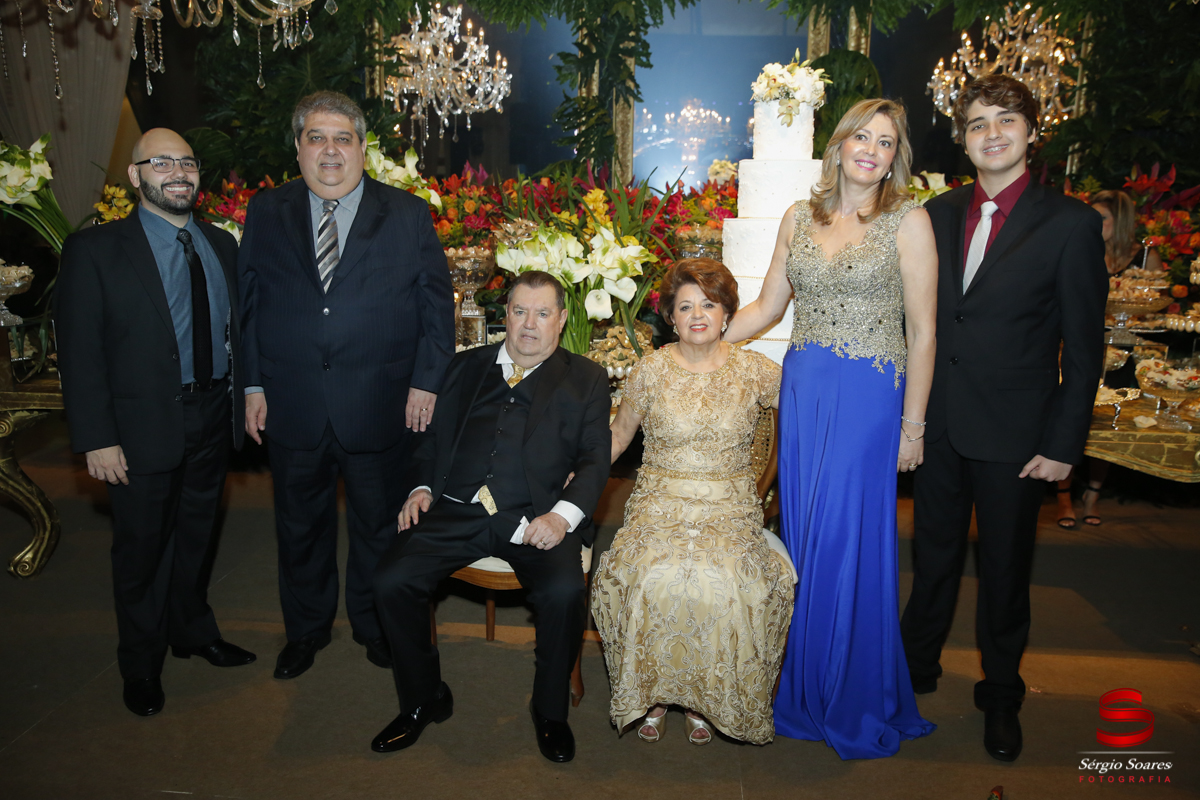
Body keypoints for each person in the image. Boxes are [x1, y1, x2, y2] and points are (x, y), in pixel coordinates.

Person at [898, 74, 1107, 762]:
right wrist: (910, 418)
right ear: (963, 137)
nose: (992, 133)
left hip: (1019, 437)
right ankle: (914, 671)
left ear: (1030, 132)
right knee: (930, 561)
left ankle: (1001, 694)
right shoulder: (933, 214)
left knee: (1006, 573)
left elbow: (1084, 348)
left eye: (1006, 121)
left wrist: (1063, 444)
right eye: (978, 122)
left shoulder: (1071, 224)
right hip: (939, 426)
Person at [724, 98, 938, 759]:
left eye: (885, 141)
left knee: (846, 541)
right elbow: (765, 305)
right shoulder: (798, 216)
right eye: (861, 137)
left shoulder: (909, 221)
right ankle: (806, 684)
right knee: (806, 536)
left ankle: (850, 693)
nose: (871, 148)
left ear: (894, 156)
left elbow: (924, 331)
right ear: (840, 145)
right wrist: (699, 340)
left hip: (871, 398)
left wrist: (914, 426)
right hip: (806, 392)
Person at [238, 91, 455, 679]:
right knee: (298, 528)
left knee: (379, 529)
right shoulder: (266, 211)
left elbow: (438, 312)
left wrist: (426, 384)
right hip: (292, 404)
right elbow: (249, 308)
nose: (329, 150)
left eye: (342, 138)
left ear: (363, 148)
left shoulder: (407, 214)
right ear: (299, 147)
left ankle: (373, 625)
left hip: (382, 406)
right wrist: (252, 386)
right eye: (316, 137)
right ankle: (305, 632)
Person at [371, 271, 611, 763]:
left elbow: (594, 460)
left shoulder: (585, 378)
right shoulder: (465, 367)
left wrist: (563, 518)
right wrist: (420, 489)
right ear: (506, 316)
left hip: (537, 517)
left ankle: (549, 711)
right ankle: (423, 699)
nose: (529, 324)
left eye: (543, 313)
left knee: (565, 592)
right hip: (457, 509)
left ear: (561, 320)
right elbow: (430, 441)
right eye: (520, 311)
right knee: (391, 579)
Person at [56, 128, 254, 717]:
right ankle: (140, 664)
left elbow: (236, 334)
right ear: (135, 175)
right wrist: (97, 438)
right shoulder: (94, 250)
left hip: (212, 415)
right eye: (161, 161)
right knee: (141, 551)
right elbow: (80, 352)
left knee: (197, 536)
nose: (177, 172)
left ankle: (192, 631)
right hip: (138, 428)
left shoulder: (222, 246)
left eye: (187, 162)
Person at [594, 258, 795, 746]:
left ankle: (707, 695)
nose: (698, 314)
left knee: (726, 580)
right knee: (647, 574)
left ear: (728, 312)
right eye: (686, 306)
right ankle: (657, 693)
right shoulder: (650, 370)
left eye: (709, 303)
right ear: (671, 317)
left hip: (729, 506)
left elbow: (805, 418)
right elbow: (616, 438)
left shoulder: (758, 372)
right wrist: (564, 476)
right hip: (659, 503)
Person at [1056, 189, 1150, 528]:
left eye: (1102, 218)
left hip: (1123, 356)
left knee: (1107, 426)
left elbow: (1156, 305)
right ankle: (1063, 496)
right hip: (1079, 352)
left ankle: (1093, 494)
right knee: (1071, 419)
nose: (1093, 223)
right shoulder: (1078, 250)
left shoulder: (1142, 261)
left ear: (1120, 223)